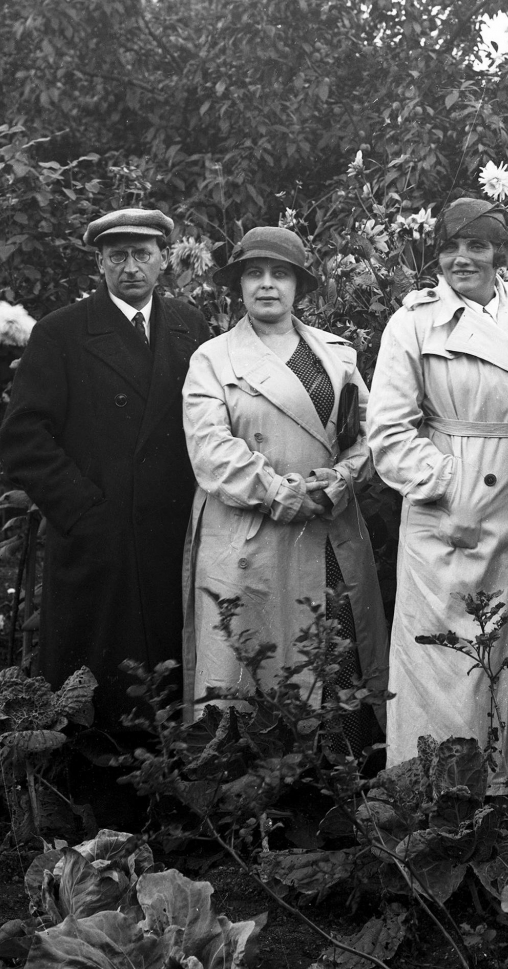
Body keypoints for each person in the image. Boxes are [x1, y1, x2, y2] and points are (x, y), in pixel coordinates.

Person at [366, 197, 508, 781]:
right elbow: (388, 432)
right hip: (453, 508)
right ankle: (432, 793)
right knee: (446, 658)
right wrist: (448, 486)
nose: (462, 259)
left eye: (477, 246)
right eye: (450, 247)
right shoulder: (413, 323)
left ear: (499, 252)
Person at [0, 208, 210, 724]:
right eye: (117, 256)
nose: (130, 267)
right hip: (101, 539)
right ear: (99, 264)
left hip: (173, 531)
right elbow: (22, 438)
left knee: (174, 681)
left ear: (163, 260)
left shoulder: (190, 325)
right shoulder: (62, 333)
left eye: (142, 254)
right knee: (100, 696)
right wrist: (83, 511)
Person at [181, 227, 386, 750]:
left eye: (280, 274)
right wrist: (278, 492)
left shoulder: (337, 355)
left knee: (333, 653)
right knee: (253, 666)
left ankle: (341, 777)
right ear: (239, 285)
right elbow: (210, 448)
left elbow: (372, 432)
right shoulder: (212, 359)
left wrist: (343, 478)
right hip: (252, 535)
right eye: (254, 273)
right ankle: (259, 788)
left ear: (299, 286)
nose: (267, 284)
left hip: (328, 528)